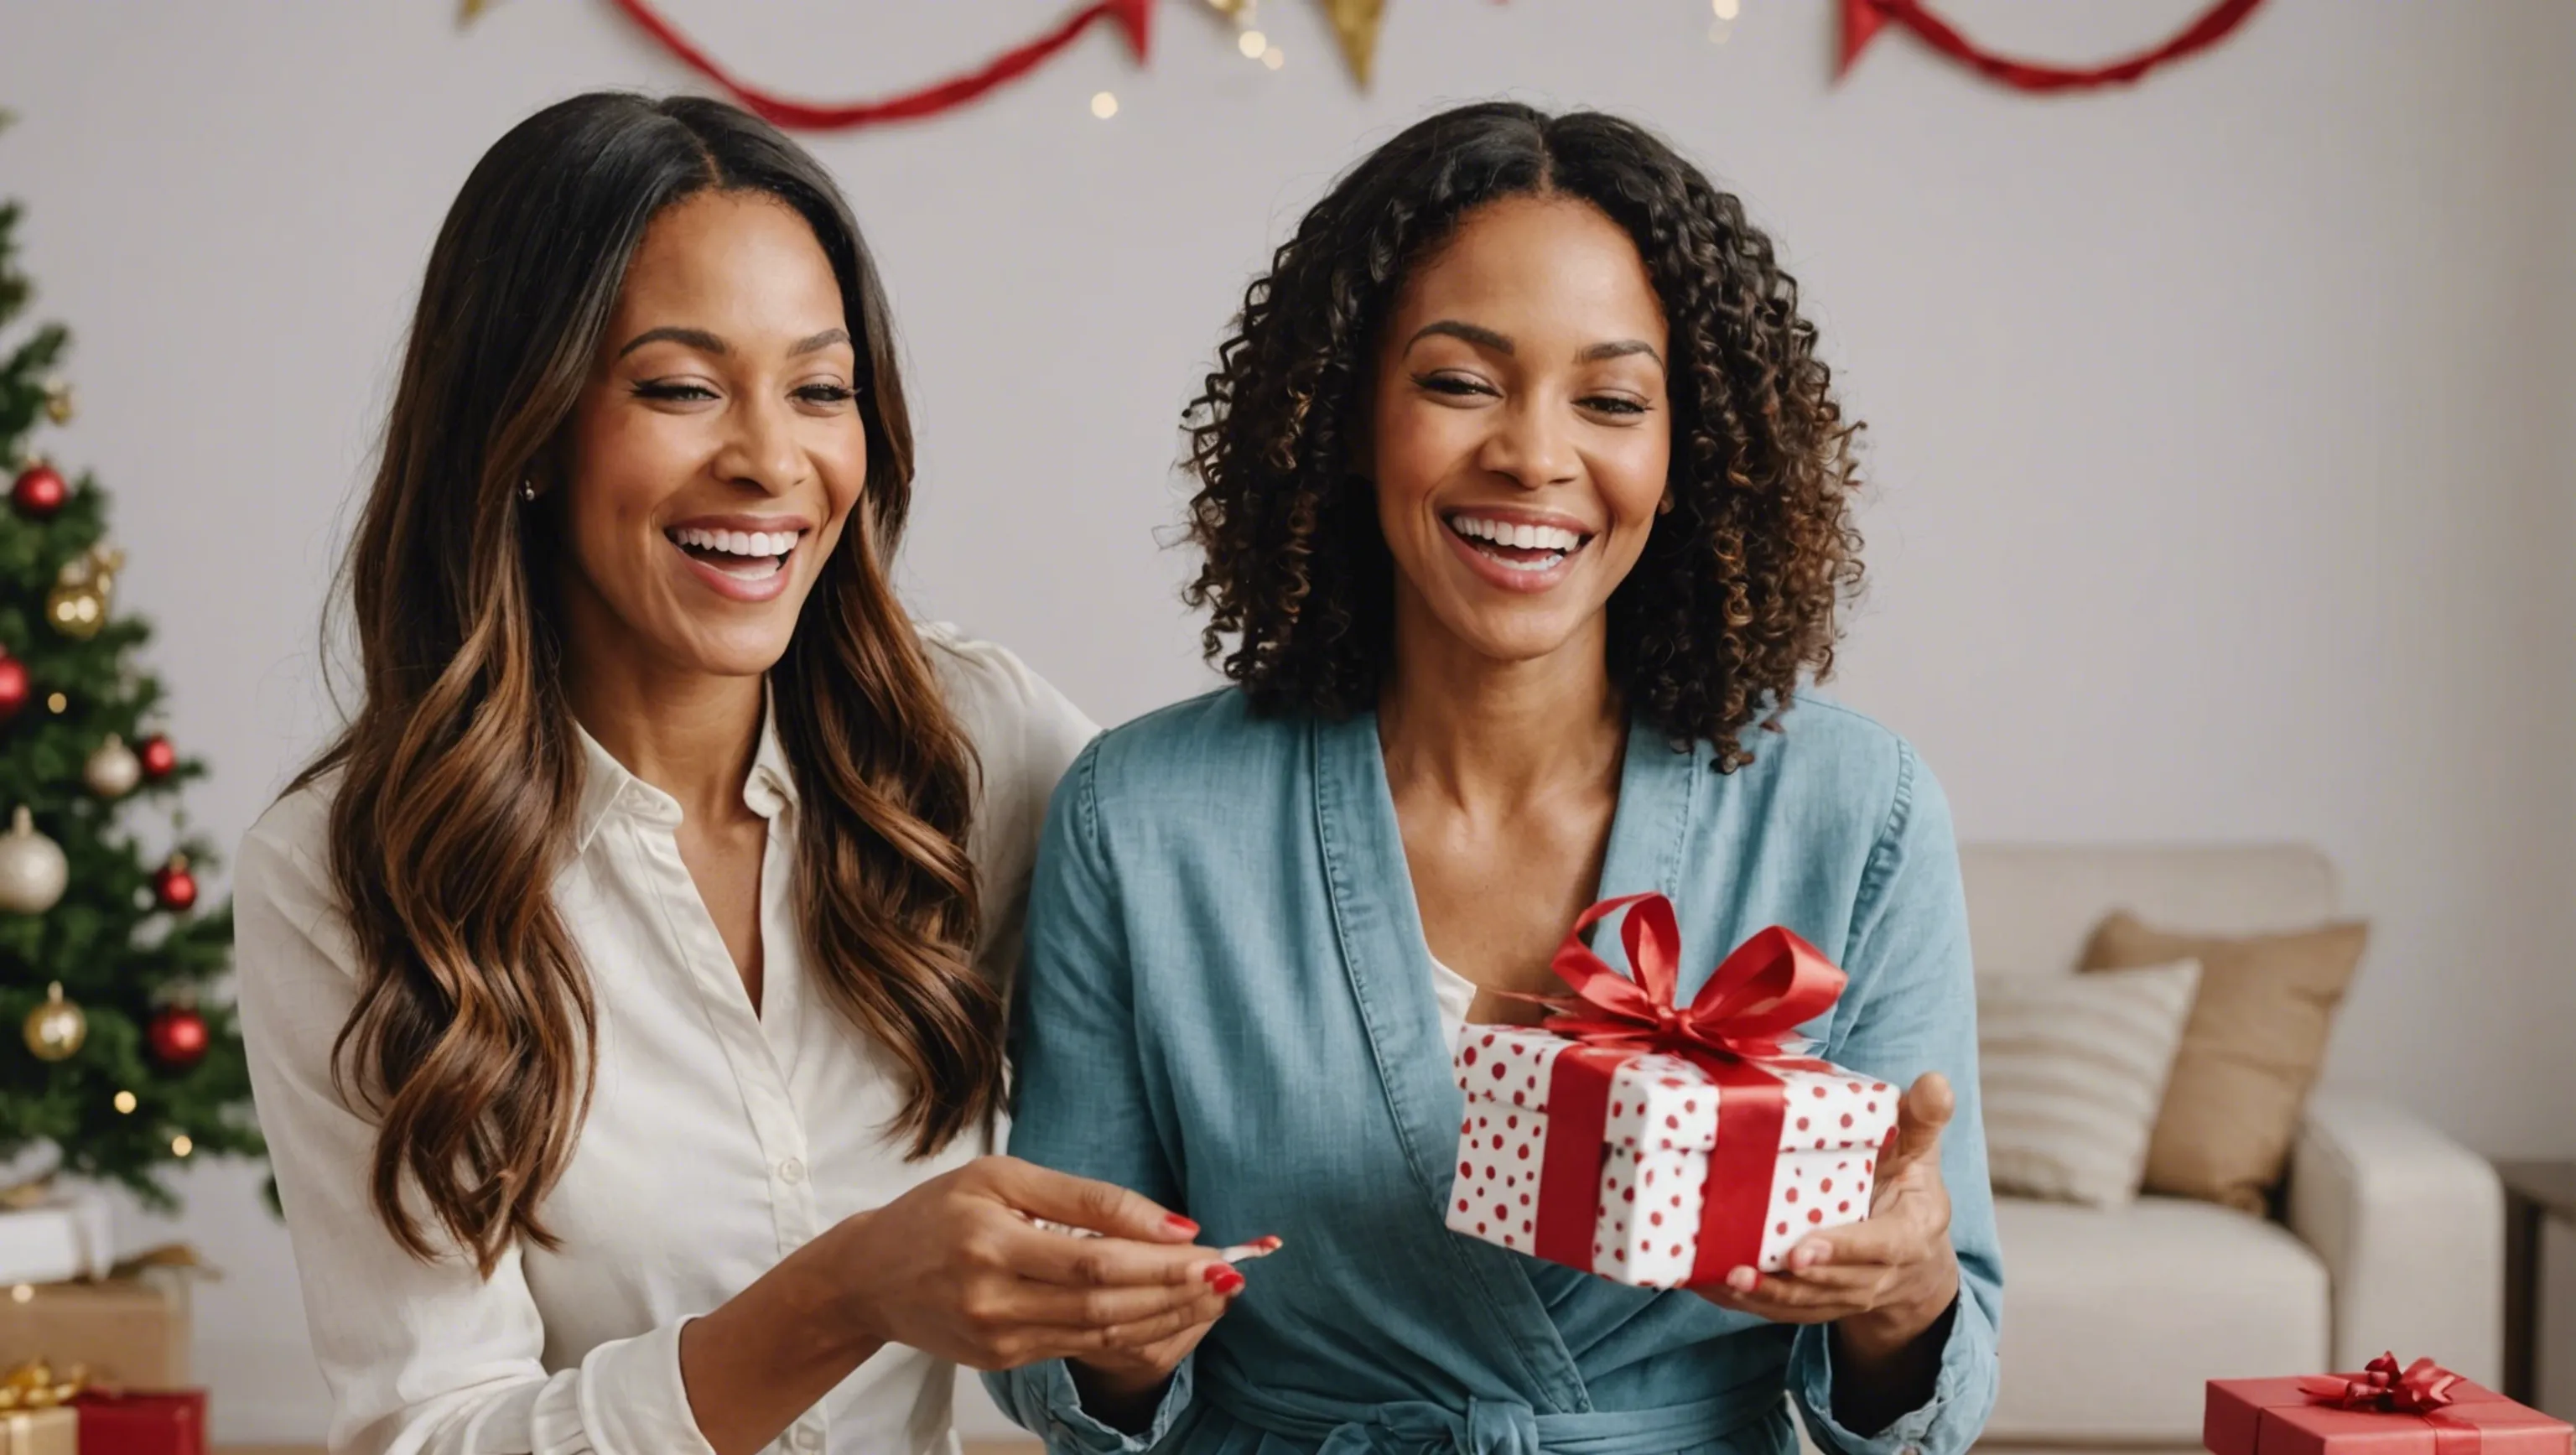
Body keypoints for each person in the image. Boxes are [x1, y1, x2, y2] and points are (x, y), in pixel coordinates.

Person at [235, 92, 1244, 1455]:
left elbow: (1257, 926)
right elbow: (429, 1433)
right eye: (680, 387)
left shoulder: (974, 749)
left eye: (820, 390)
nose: (772, 461)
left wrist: (1128, 1344)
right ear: (527, 429)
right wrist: (841, 1294)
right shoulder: (346, 877)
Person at [989, 102, 2002, 1455]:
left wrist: (1903, 1286)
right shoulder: (1143, 814)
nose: (1534, 452)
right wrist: (1107, 1338)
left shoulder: (1853, 808)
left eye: (1613, 399)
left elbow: (1934, 1398)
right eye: (1461, 381)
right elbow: (1069, 1383)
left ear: (1682, 452)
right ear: (1347, 413)